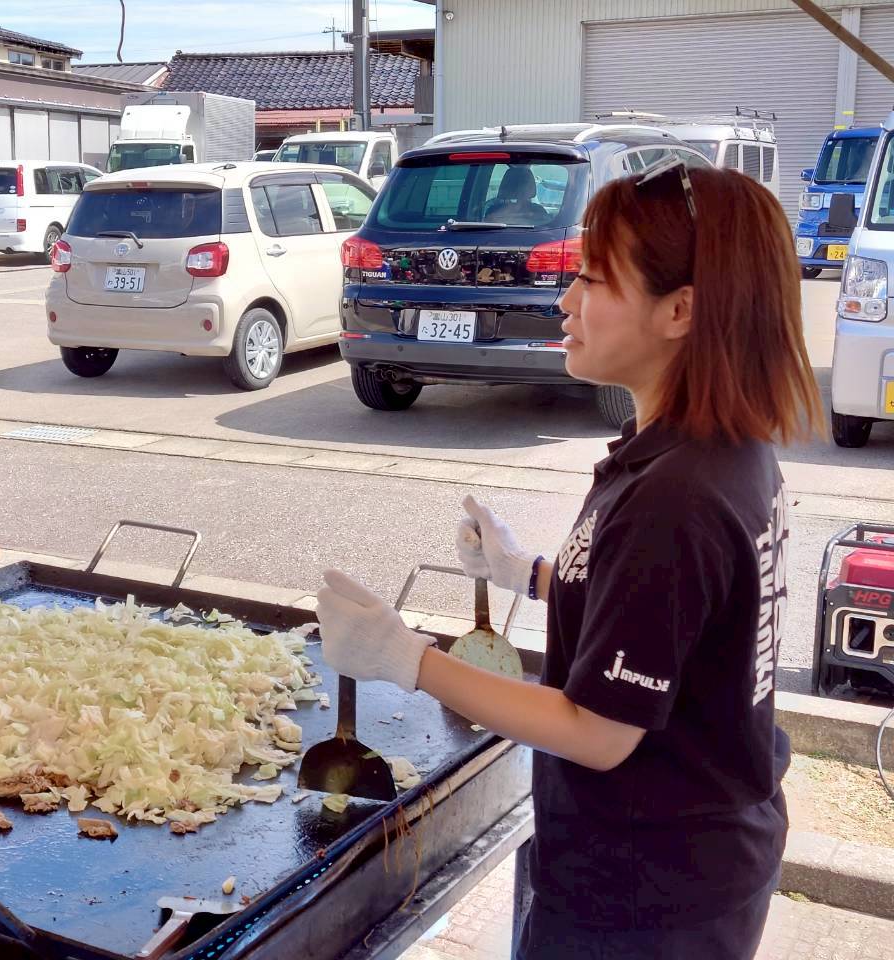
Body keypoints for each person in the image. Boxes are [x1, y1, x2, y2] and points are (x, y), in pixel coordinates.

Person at [316, 159, 823, 960]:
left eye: (592, 279)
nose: (565, 300)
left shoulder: (679, 494)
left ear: (680, 310)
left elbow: (598, 732)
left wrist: (406, 659)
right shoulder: (708, 448)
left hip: (648, 896)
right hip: (684, 861)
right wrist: (528, 575)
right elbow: (666, 621)